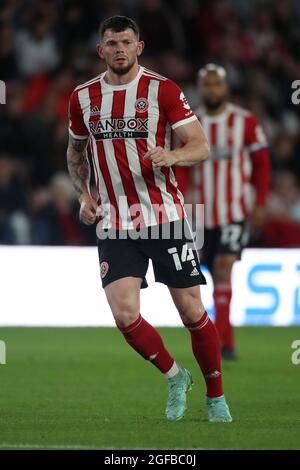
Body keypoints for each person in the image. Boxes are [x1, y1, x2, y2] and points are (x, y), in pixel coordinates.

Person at [66, 16, 232, 422]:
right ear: (101, 50)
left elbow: (201, 146)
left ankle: (216, 397)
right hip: (114, 221)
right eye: (111, 43)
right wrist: (83, 194)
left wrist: (172, 155)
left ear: (139, 46)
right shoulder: (82, 98)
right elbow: (75, 154)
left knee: (191, 311)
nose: (119, 48)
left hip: (164, 215)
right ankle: (176, 377)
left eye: (126, 41)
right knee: (124, 314)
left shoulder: (163, 90)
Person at [176, 64, 271, 359]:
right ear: (200, 88)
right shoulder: (190, 123)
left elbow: (262, 165)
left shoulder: (246, 121)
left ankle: (223, 341)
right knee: (200, 277)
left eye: (217, 84)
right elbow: (180, 167)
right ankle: (218, 340)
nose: (212, 90)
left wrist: (260, 204)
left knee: (223, 268)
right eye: (207, 85)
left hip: (234, 211)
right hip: (198, 214)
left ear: (226, 88)